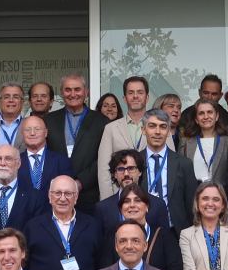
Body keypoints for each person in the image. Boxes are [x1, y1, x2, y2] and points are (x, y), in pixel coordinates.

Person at [44, 74, 110, 207]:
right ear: (62, 93)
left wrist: (81, 182)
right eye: (68, 90)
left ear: (86, 92)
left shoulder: (101, 121)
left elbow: (104, 158)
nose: (72, 94)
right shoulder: (48, 121)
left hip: (89, 194)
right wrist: (60, 184)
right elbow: (44, 155)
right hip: (56, 194)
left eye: (77, 89)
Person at [95, 76, 151, 200]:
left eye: (140, 92)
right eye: (131, 93)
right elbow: (104, 169)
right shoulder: (111, 128)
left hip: (151, 196)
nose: (135, 96)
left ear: (147, 97)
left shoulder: (159, 127)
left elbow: (170, 162)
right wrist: (108, 202)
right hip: (119, 197)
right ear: (124, 99)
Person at [140, 109, 197, 229]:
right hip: (142, 231)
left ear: (169, 132)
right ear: (143, 130)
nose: (157, 132)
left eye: (163, 127)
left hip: (175, 232)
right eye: (152, 126)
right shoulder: (135, 161)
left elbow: (191, 204)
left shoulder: (184, 164)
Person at [0, 144, 45, 234]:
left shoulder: (35, 197)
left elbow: (36, 234)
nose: (2, 163)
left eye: (8, 159)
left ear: (18, 163)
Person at [180, 98, 228, 191]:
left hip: (219, 196)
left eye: (210, 112)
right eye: (201, 113)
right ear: (196, 119)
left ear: (217, 116)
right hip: (192, 197)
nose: (206, 116)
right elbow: (180, 173)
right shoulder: (185, 142)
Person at [17, 116, 72, 196]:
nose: (32, 133)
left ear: (45, 133)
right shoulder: (14, 162)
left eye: (37, 129)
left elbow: (68, 191)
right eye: (27, 129)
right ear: (22, 133)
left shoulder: (62, 161)